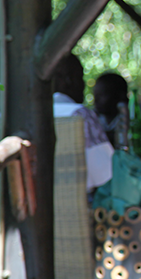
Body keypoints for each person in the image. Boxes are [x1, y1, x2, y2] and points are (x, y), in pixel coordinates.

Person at [51, 54, 113, 191]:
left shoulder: (31, 116)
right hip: (83, 201)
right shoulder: (79, 114)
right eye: (80, 78)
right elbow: (107, 174)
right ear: (69, 80)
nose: (83, 85)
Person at [92, 72, 129, 146]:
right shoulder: (94, 116)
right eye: (95, 95)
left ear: (120, 95)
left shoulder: (135, 114)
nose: (96, 100)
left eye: (101, 95)